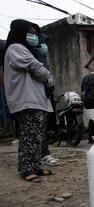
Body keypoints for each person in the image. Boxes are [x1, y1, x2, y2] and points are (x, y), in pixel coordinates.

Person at [3, 19, 55, 182]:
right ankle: (26, 169)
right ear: (19, 32)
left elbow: (42, 72)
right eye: (29, 33)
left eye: (35, 34)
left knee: (37, 136)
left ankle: (34, 166)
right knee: (30, 136)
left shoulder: (29, 50)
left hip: (35, 99)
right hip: (27, 99)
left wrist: (45, 76)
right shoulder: (16, 48)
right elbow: (36, 67)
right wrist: (47, 76)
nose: (33, 36)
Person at [34, 31, 59, 167]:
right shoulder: (34, 55)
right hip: (38, 96)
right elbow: (41, 73)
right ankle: (41, 155)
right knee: (37, 128)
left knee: (43, 126)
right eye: (43, 43)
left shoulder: (42, 56)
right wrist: (47, 76)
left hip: (46, 95)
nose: (45, 46)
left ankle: (44, 153)